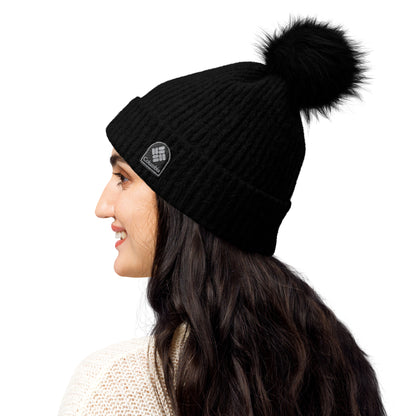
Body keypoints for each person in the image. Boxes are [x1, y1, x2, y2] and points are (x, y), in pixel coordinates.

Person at [58, 16, 387, 416]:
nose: (102, 206)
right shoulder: (337, 377)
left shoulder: (116, 386)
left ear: (190, 203)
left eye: (123, 178)